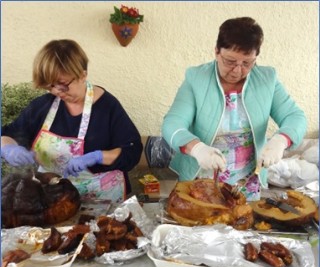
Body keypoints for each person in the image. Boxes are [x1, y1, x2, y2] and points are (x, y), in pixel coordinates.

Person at [161, 17, 307, 201]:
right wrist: (197, 149)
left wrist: (281, 140)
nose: (237, 70)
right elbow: (172, 123)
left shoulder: (267, 79)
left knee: (242, 223)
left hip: (247, 182)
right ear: (216, 51)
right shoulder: (196, 78)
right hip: (202, 179)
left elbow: (295, 116)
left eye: (247, 63)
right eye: (230, 61)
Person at [1, 39, 143, 203]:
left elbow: (131, 150)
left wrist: (98, 156)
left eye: (62, 85)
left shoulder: (107, 107)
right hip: (54, 200)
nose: (56, 92)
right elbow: (8, 133)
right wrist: (8, 148)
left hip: (102, 201)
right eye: (50, 86)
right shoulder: (42, 106)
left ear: (82, 75)